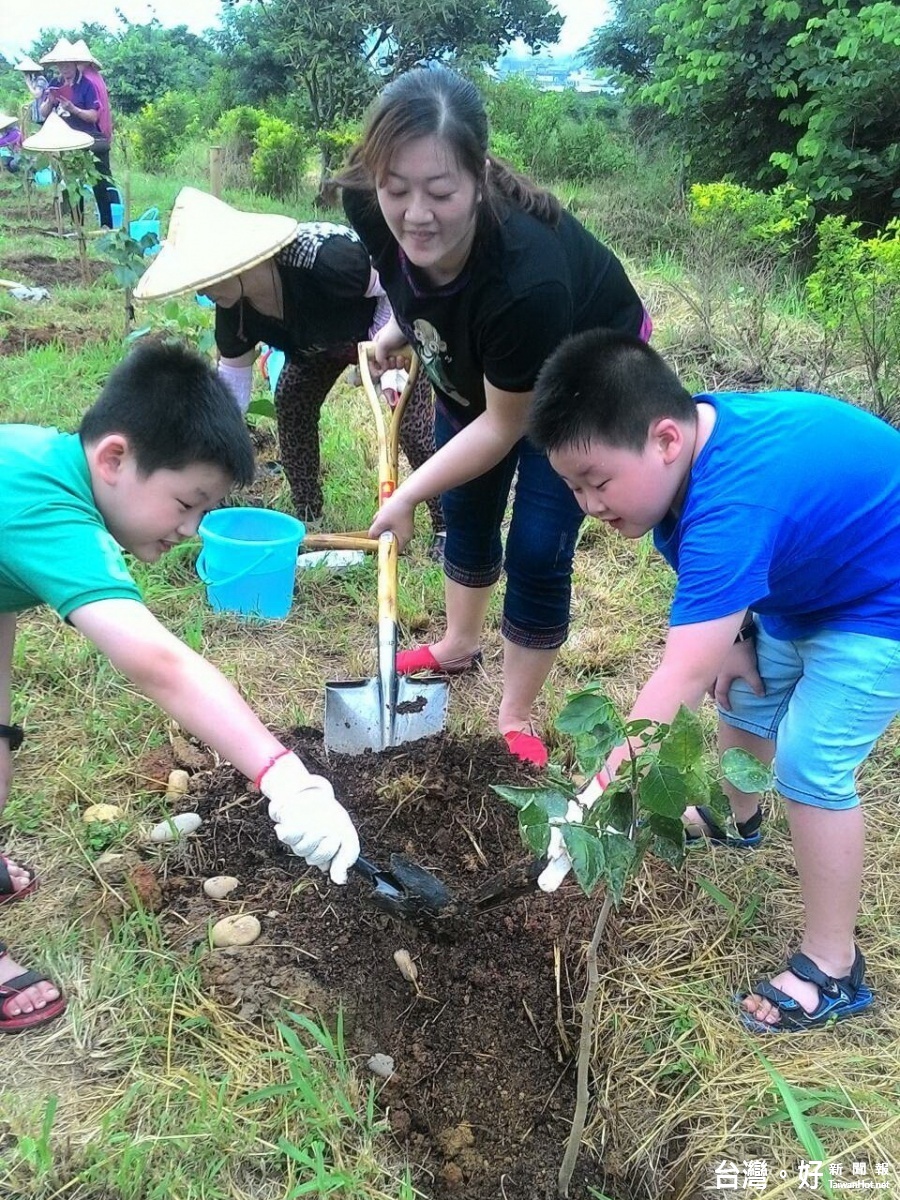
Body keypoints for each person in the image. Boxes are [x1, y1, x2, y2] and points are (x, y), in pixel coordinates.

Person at [528, 328, 900, 1033]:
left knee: (810, 762)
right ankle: (738, 818)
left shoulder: (732, 503)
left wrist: (593, 796)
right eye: (572, 487)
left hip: (882, 594)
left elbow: (677, 673)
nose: (587, 506)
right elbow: (726, 598)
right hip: (811, 579)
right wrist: (737, 634)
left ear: (665, 440)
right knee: (745, 689)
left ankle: (834, 965)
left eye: (597, 482)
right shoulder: (685, 458)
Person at [0, 340, 360, 1032]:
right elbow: (158, 663)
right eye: (187, 503)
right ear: (114, 459)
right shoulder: (48, 513)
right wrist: (285, 776)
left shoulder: (48, 468)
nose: (191, 529)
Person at [332, 65, 651, 767]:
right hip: (486, 367)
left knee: (539, 541)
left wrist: (409, 492)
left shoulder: (527, 276)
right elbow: (403, 274)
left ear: (478, 177)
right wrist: (404, 330)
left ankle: (514, 711)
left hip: (579, 371)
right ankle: (457, 645)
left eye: (441, 192)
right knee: (469, 510)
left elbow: (507, 424)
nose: (416, 213)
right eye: (397, 189)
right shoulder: (362, 201)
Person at [133, 188, 443, 542]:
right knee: (292, 400)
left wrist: (383, 343)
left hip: (382, 324)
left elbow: (396, 286)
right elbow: (232, 396)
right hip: (316, 348)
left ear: (236, 261)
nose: (203, 293)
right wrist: (206, 459)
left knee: (412, 428)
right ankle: (308, 510)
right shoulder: (233, 313)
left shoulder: (327, 261)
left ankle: (446, 524)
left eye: (207, 279)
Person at [38, 38, 118, 229]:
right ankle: (77, 226)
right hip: (68, 142)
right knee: (73, 185)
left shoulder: (87, 85)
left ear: (75, 64)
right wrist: (50, 100)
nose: (64, 68)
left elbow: (93, 116)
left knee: (99, 183)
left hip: (89, 140)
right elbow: (42, 113)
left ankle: (107, 226)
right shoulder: (55, 83)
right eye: (60, 64)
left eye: (67, 64)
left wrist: (73, 108)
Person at [14, 56, 50, 126]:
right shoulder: (33, 80)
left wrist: (28, 84)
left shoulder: (40, 79)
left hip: (44, 114)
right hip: (38, 116)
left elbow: (37, 95)